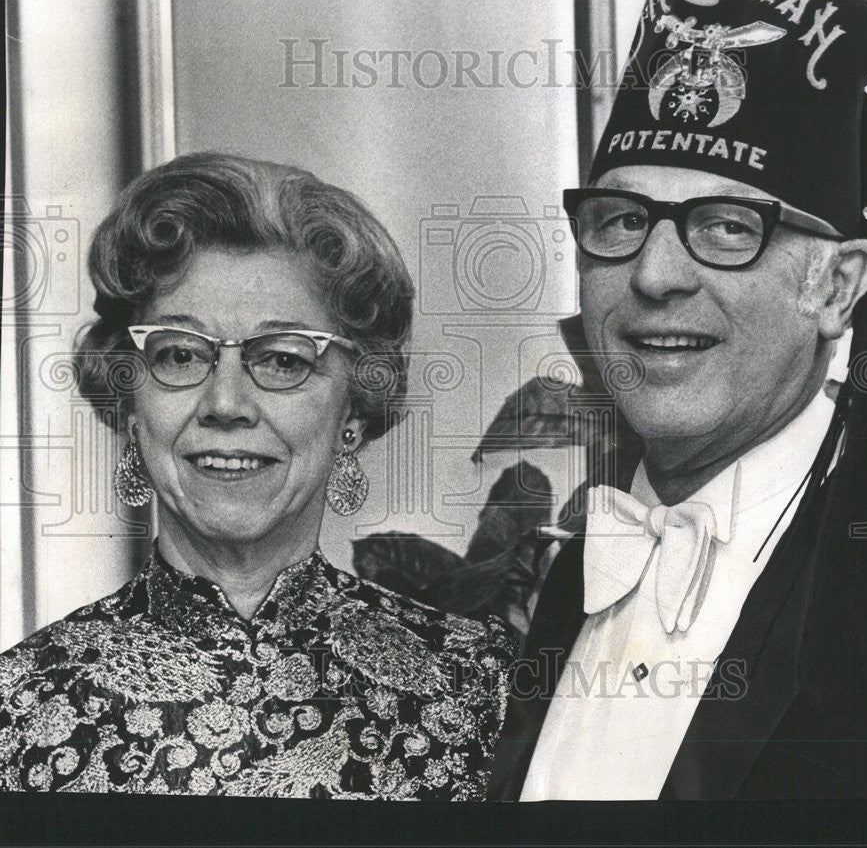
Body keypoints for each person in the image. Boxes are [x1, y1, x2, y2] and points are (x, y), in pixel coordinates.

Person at [489, 0, 867, 799]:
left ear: (837, 285)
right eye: (620, 219)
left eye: (727, 226)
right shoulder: (576, 576)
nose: (653, 275)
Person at [0, 153, 516, 799]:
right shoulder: (18, 710)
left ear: (353, 405)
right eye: (181, 354)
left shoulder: (481, 689)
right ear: (130, 400)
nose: (226, 404)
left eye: (281, 360)